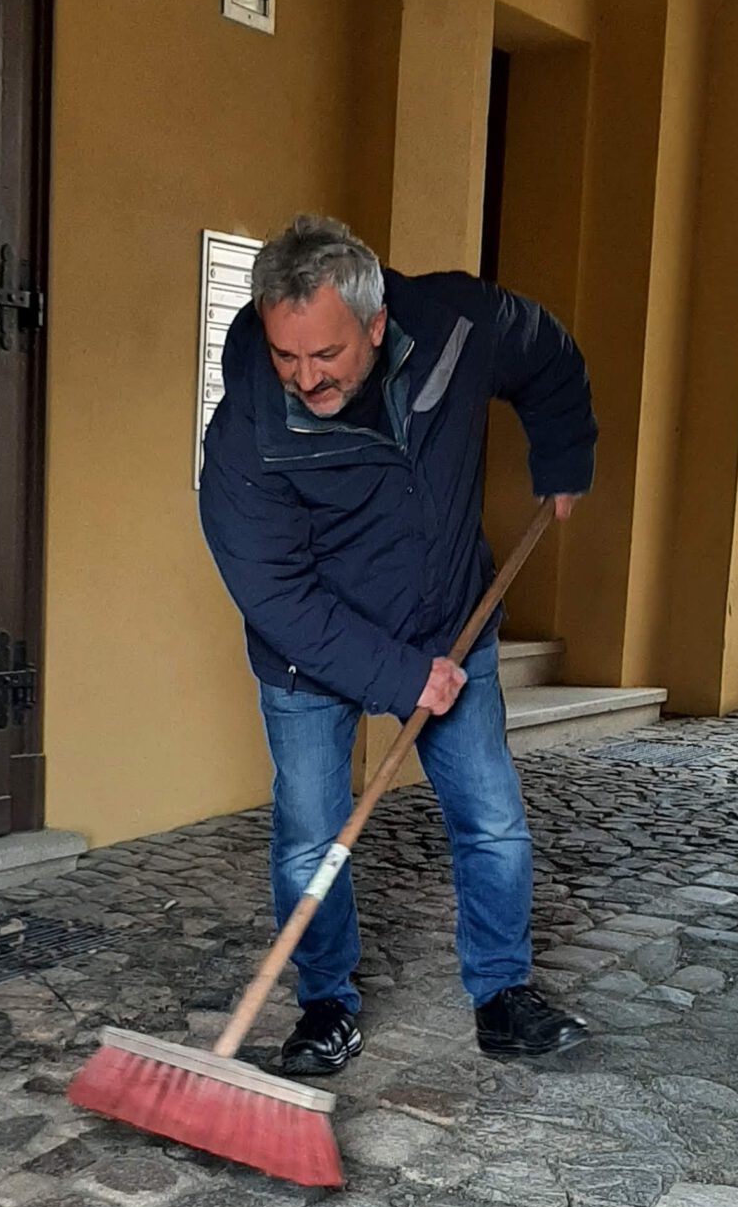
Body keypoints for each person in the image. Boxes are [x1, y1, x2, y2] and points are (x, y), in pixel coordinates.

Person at [197, 214, 597, 1077]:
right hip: (311, 661)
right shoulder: (245, 439)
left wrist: (564, 454)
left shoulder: (458, 325)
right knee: (311, 835)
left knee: (490, 819)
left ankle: (503, 994)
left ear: (376, 325)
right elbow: (276, 596)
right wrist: (402, 675)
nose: (306, 378)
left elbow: (550, 358)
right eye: (286, 355)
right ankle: (325, 1004)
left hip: (453, 620)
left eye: (327, 355)